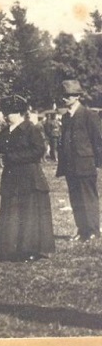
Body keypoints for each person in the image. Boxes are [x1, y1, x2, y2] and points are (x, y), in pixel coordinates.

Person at [0, 95, 54, 261]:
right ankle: (9, 248)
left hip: (29, 177)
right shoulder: (6, 130)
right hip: (12, 177)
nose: (6, 116)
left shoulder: (31, 129)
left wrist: (12, 157)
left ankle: (29, 249)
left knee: (28, 213)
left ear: (19, 113)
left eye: (9, 113)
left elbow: (38, 150)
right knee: (11, 211)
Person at [56, 80, 102, 242]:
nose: (65, 99)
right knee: (75, 198)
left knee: (88, 198)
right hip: (70, 165)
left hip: (85, 163)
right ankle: (81, 230)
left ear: (77, 96)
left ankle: (93, 231)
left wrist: (98, 163)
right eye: (63, 96)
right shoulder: (66, 117)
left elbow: (98, 139)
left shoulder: (89, 114)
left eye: (68, 96)